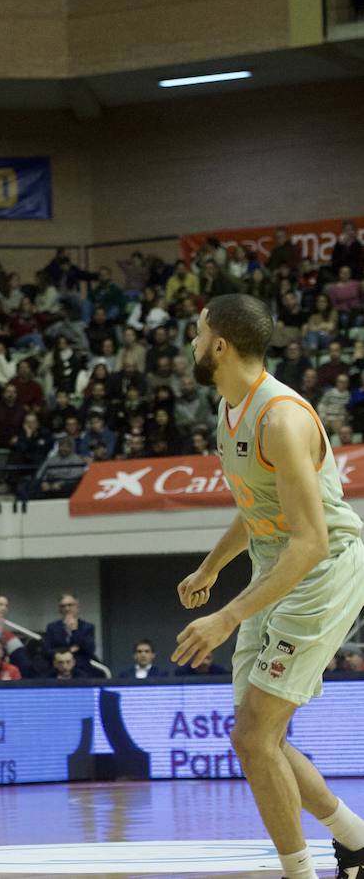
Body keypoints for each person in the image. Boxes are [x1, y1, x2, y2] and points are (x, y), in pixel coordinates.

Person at [171, 293, 364, 879]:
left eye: (197, 334)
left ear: (220, 345)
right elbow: (257, 507)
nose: (192, 344)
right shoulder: (229, 409)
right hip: (273, 564)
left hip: (322, 570)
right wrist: (211, 567)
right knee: (256, 739)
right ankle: (355, 839)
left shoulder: (281, 419)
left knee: (256, 737)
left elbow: (312, 543)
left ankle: (301, 872)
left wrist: (226, 616)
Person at [42, 593, 100, 676]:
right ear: (59, 609)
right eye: (63, 606)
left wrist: (74, 630)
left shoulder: (87, 627)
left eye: (70, 605)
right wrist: (68, 650)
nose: (67, 609)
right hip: (58, 668)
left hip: (81, 668)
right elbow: (47, 650)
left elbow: (89, 650)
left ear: (77, 607)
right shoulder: (52, 627)